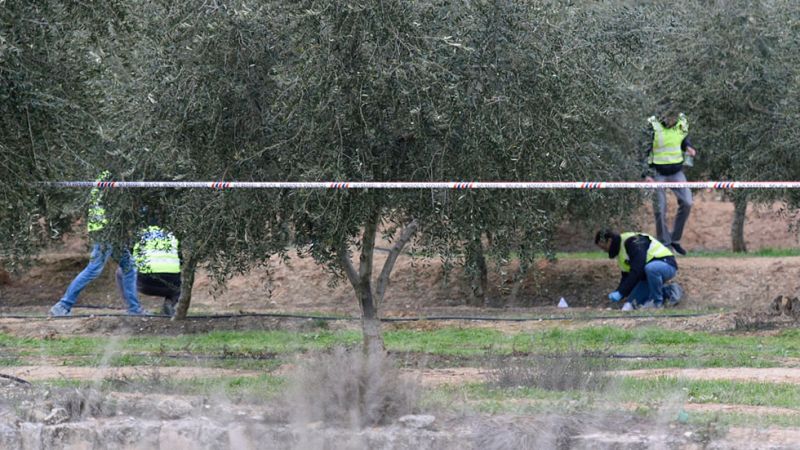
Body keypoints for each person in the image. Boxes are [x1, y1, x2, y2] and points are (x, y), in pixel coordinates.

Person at [49, 171, 149, 316]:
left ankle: (134, 309)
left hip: (108, 229)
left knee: (128, 266)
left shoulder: (106, 173)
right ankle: (63, 305)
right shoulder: (114, 174)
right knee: (94, 269)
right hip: (106, 229)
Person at [642, 107, 698, 255]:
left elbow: (683, 139)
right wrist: (646, 175)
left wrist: (689, 147)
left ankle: (675, 240)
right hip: (657, 173)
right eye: (669, 118)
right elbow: (642, 150)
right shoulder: (652, 125)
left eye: (674, 118)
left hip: (676, 172)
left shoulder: (682, 121)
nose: (672, 121)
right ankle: (665, 244)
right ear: (663, 116)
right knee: (660, 209)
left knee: (687, 202)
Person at [595, 229, 682, 310]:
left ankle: (657, 303)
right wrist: (619, 292)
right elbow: (627, 277)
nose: (604, 250)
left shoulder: (632, 241)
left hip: (666, 264)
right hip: (647, 275)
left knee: (651, 268)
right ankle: (669, 291)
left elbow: (638, 268)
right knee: (629, 306)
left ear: (609, 241)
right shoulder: (620, 253)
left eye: (603, 247)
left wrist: (621, 292)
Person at [116, 225, 181, 317]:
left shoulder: (139, 233)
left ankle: (133, 307)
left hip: (145, 283)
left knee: (121, 271)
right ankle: (170, 302)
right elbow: (181, 260)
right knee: (186, 276)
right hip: (171, 286)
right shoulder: (172, 233)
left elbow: (129, 259)